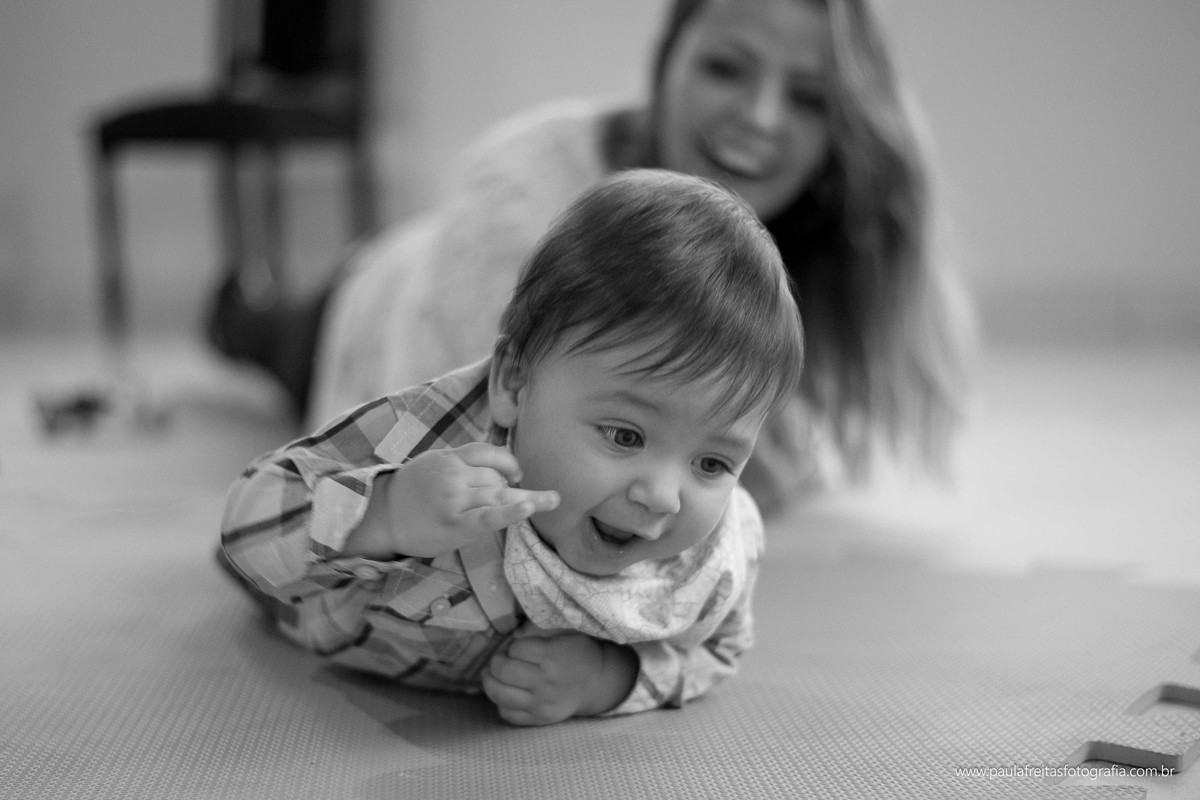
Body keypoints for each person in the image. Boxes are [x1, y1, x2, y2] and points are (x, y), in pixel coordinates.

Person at [211, 0, 972, 514]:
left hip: (433, 258)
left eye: (809, 98)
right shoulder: (522, 192)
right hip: (369, 304)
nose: (761, 118)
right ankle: (238, 309)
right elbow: (473, 458)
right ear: (667, 60)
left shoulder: (796, 231)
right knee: (260, 328)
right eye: (726, 69)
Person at [218, 170, 806, 726]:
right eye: (625, 436)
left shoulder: (709, 556)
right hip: (311, 604)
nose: (662, 497)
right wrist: (388, 513)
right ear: (513, 384)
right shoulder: (429, 441)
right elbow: (248, 525)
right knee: (284, 355)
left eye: (712, 463)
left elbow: (721, 648)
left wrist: (609, 678)